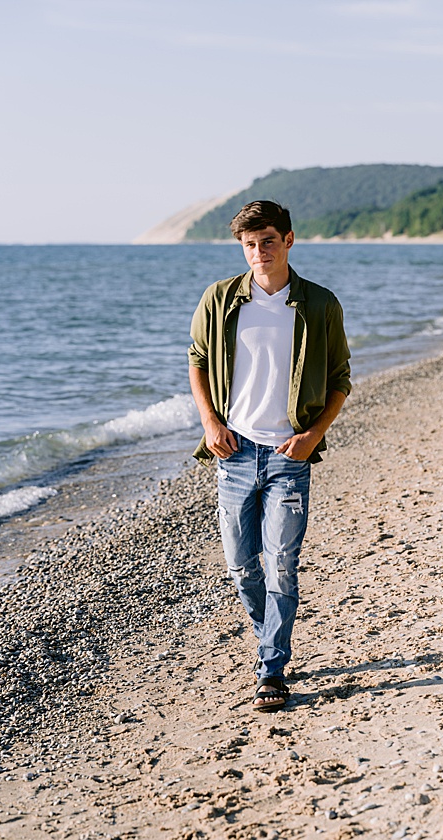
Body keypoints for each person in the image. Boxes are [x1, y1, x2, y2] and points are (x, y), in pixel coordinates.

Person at [187, 200, 350, 712]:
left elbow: (341, 379)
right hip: (234, 452)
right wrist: (209, 421)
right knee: (241, 566)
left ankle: (272, 669)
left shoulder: (319, 304)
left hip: (289, 454)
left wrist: (312, 436)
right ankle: (270, 642)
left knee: (281, 563)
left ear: (289, 240)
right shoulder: (219, 299)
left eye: (268, 242)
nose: (259, 253)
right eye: (250, 244)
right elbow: (196, 358)